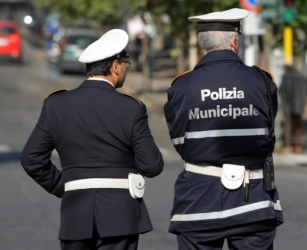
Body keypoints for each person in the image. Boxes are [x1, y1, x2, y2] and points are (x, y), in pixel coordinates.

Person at [20, 29, 164, 250]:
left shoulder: (56, 104)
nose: (127, 67)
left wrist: (63, 185)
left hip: (75, 215)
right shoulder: (131, 107)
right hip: (121, 219)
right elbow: (152, 166)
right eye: (126, 62)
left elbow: (31, 158)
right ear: (115, 66)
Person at [164, 9, 283, 250]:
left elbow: (179, 141)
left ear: (202, 44)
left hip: (198, 201)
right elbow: (267, 136)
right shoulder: (262, 81)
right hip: (254, 203)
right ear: (233, 41)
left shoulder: (181, 86)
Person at [279, 65, 307, 153]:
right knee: (298, 126)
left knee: (288, 125)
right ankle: (298, 146)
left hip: (289, 105)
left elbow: (281, 90)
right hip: (300, 105)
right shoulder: (302, 77)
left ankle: (288, 146)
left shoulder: (286, 77)